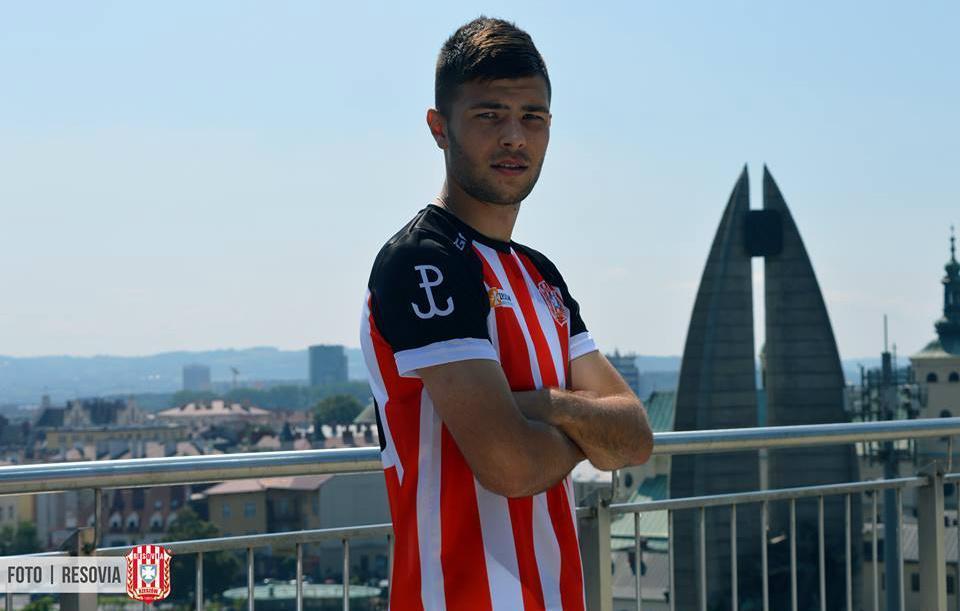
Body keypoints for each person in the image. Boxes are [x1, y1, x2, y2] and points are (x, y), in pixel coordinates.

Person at [359, 17, 654, 611]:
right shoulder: (423, 261)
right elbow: (511, 465)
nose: (515, 137)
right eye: (489, 115)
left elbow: (635, 437)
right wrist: (588, 435)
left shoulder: (540, 275)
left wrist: (547, 407)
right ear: (439, 128)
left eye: (532, 117)